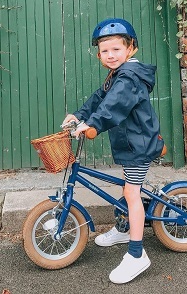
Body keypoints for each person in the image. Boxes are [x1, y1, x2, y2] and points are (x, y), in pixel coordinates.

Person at [62, 18, 164, 284]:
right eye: (105, 51)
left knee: (132, 192)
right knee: (127, 188)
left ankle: (136, 254)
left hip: (139, 144)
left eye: (116, 49)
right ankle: (124, 228)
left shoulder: (129, 76)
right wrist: (79, 115)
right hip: (130, 143)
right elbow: (99, 98)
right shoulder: (116, 75)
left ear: (131, 48)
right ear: (99, 55)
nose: (110, 55)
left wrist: (93, 124)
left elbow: (112, 106)